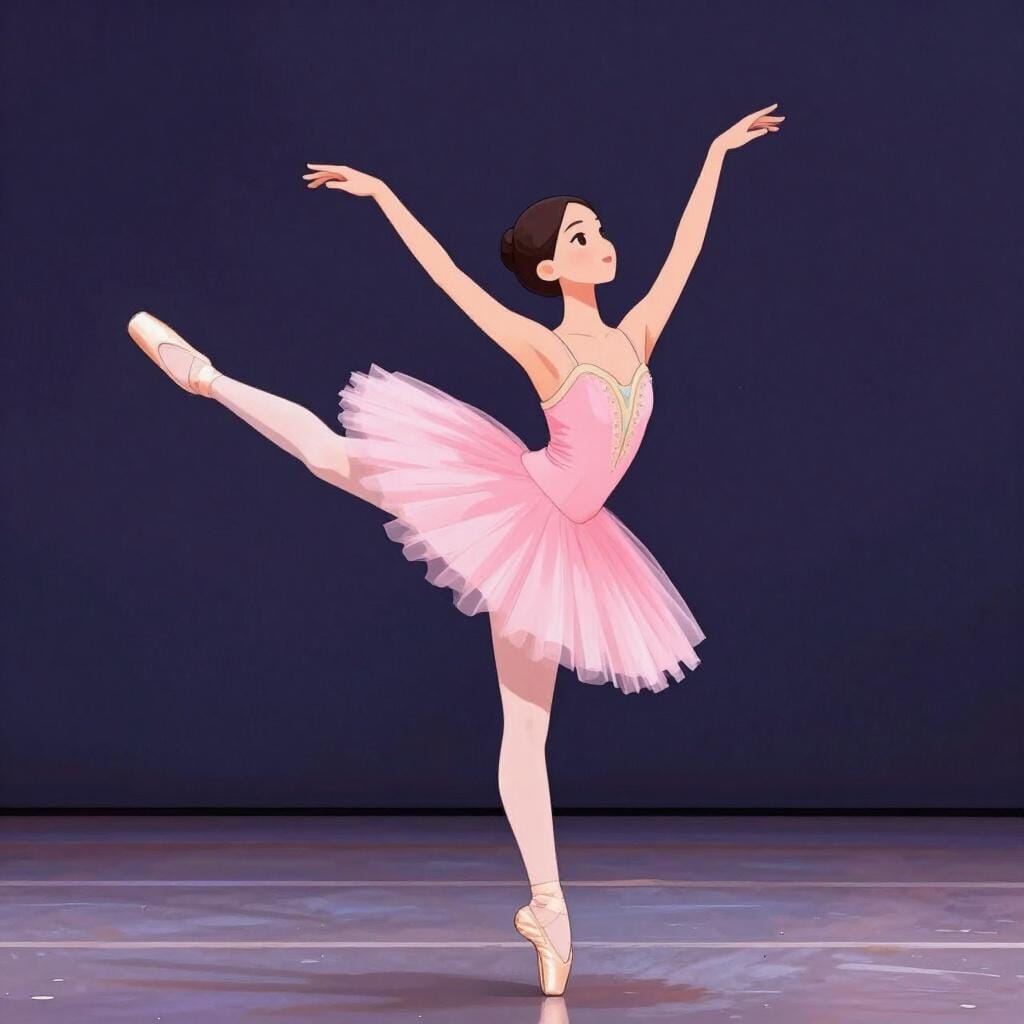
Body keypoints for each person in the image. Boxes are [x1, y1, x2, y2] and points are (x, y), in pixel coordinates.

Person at [127, 101, 784, 996]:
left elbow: (686, 251)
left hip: (573, 546)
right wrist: (387, 195)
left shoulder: (637, 335)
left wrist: (714, 155)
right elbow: (449, 282)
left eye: (598, 230)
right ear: (552, 267)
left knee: (527, 733)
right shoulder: (545, 347)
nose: (601, 242)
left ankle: (547, 910)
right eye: (581, 235)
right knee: (330, 456)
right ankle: (205, 378)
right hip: (510, 510)